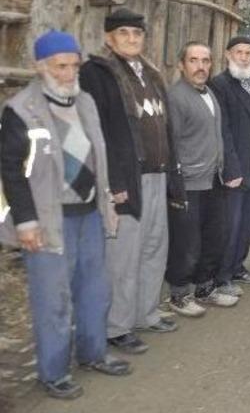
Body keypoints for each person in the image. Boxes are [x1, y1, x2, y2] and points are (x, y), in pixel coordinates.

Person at [0, 31, 131, 399]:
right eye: (61, 66)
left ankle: (92, 353)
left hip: (89, 213)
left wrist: (107, 204)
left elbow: (98, 157)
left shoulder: (85, 101)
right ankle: (53, 372)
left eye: (74, 65)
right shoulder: (20, 110)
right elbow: (10, 172)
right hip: (46, 219)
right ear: (40, 67)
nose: (68, 72)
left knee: (94, 290)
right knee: (52, 299)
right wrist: (24, 222)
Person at [79, 8, 183, 355]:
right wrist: (112, 181)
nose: (132, 39)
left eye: (137, 34)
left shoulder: (151, 73)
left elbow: (164, 127)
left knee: (154, 248)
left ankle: (146, 313)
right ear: (109, 37)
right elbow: (94, 133)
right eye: (123, 33)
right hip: (125, 179)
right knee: (123, 256)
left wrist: (173, 175)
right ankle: (116, 327)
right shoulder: (97, 73)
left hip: (157, 174)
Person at [164, 42, 238, 316]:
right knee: (186, 242)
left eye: (206, 61)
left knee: (213, 237)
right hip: (189, 183)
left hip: (213, 179)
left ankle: (205, 287)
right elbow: (171, 144)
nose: (201, 66)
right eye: (194, 60)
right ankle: (179, 294)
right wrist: (176, 186)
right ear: (182, 65)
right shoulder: (176, 97)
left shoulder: (209, 94)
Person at [209, 36, 250, 289]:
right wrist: (231, 168)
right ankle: (221, 277)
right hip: (234, 167)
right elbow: (223, 131)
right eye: (239, 52)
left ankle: (237, 267)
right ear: (228, 54)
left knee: (247, 221)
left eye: (249, 54)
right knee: (229, 225)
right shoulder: (220, 85)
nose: (244, 57)